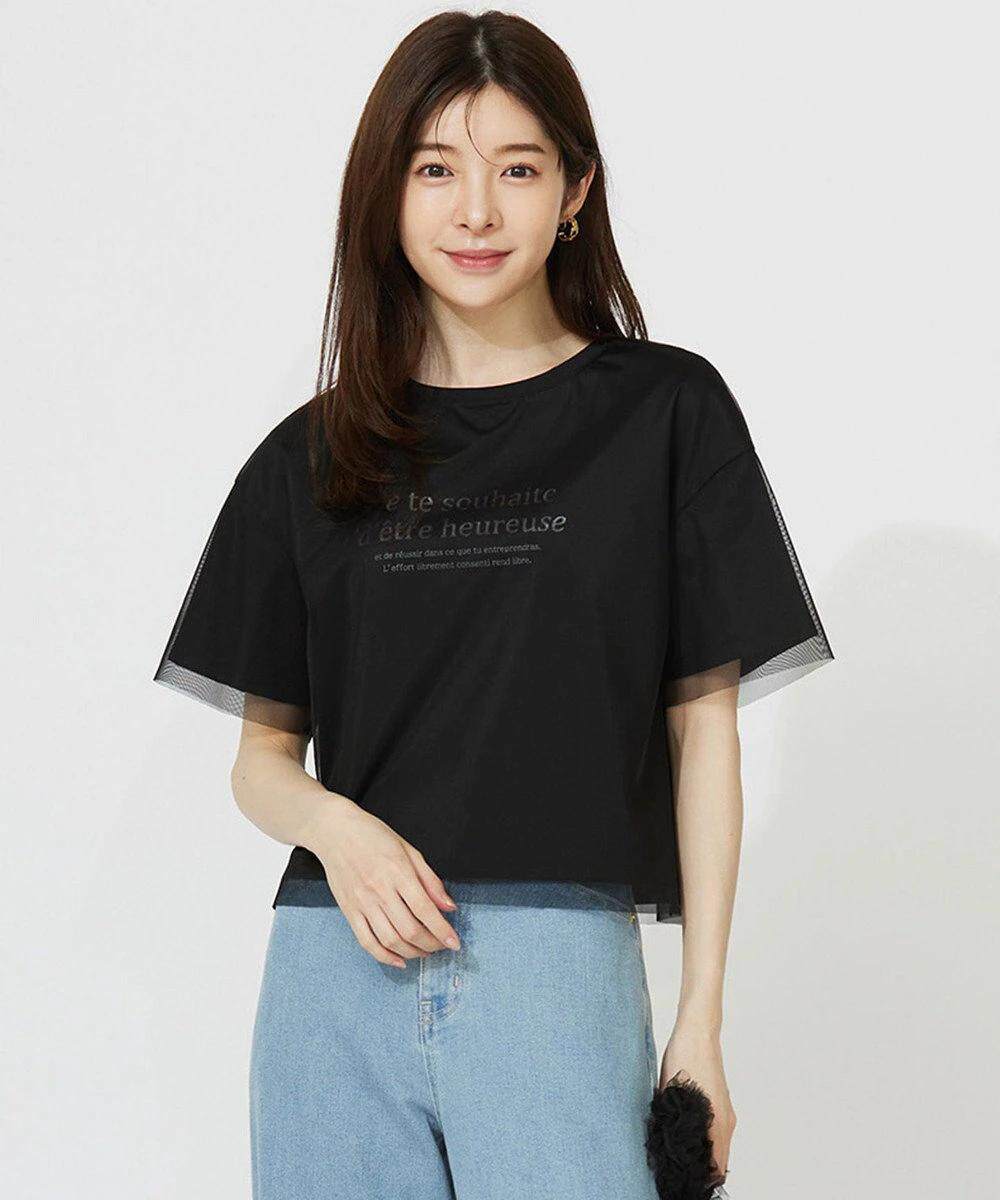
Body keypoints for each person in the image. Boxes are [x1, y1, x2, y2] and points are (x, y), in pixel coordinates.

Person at [152, 11, 834, 1199]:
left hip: (553, 971)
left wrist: (700, 1021)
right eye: (435, 170)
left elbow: (703, 730)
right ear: (386, 193)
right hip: (332, 969)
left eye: (516, 169)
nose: (475, 211)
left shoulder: (662, 415)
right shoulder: (308, 459)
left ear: (575, 191)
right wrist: (343, 834)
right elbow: (261, 765)